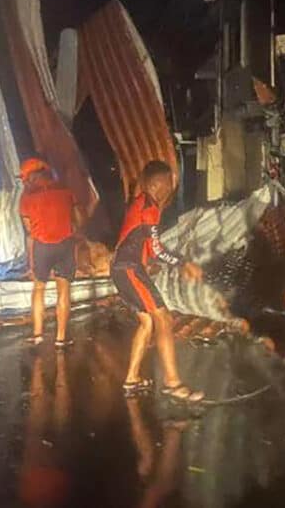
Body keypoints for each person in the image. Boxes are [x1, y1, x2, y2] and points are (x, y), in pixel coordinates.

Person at [111, 160, 204, 402]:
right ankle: (173, 383)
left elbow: (148, 249)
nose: (171, 189)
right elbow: (157, 250)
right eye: (169, 183)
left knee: (146, 323)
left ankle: (131, 378)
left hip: (124, 268)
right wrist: (183, 263)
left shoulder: (141, 203)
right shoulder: (149, 207)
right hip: (129, 269)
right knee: (164, 318)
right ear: (157, 184)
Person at [18, 158, 84, 348]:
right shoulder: (65, 190)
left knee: (39, 288)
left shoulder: (26, 198)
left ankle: (38, 334)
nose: (23, 181)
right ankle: (60, 338)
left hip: (42, 247)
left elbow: (29, 230)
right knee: (64, 289)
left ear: (31, 177)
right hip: (65, 244)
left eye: (24, 178)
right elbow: (79, 218)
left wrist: (31, 262)